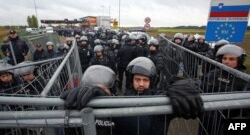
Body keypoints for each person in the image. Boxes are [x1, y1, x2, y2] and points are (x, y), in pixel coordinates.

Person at [60, 57, 204, 135]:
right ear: (131, 80)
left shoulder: (160, 97)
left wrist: (185, 86)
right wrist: (102, 100)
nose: (141, 84)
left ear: (152, 81)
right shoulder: (121, 100)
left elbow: (193, 90)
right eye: (137, 79)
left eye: (145, 80)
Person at [200, 44, 248, 135]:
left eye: (231, 59)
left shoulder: (244, 80)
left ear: (240, 61)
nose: (226, 62)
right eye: (224, 58)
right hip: (207, 118)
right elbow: (201, 88)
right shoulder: (212, 74)